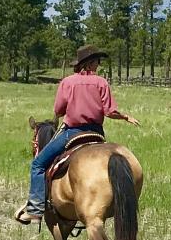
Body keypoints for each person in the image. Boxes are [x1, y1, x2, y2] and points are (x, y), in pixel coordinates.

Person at [15, 45, 140, 225]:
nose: (98, 64)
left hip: (72, 133)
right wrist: (126, 117)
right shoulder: (101, 82)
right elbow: (110, 111)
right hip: (96, 134)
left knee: (38, 164)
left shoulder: (68, 82)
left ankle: (35, 210)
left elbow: (58, 110)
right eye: (97, 61)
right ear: (89, 63)